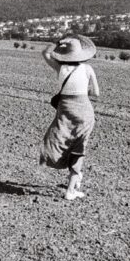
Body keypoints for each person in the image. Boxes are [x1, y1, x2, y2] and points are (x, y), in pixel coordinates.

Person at [41, 35, 100, 200]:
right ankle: (70, 190)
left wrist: (58, 43)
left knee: (64, 142)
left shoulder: (60, 68)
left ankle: (75, 176)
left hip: (65, 111)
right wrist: (81, 91)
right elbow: (96, 93)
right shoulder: (87, 68)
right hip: (84, 112)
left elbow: (45, 53)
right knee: (79, 147)